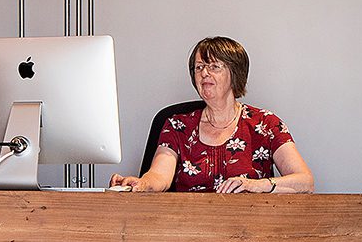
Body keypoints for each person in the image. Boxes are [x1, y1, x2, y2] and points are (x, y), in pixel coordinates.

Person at [109, 36, 315, 194]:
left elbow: (305, 182)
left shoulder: (266, 123)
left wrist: (257, 185)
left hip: (251, 233)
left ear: (235, 73)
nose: (204, 73)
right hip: (188, 231)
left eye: (214, 66)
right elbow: (159, 175)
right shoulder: (176, 124)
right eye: (199, 67)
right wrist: (142, 183)